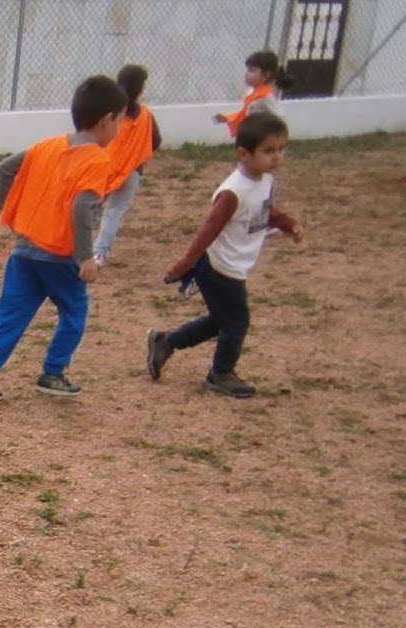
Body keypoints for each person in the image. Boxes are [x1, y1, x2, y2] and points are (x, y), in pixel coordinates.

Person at [0, 74, 126, 403]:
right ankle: (53, 372)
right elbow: (82, 207)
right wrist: (86, 256)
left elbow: (5, 168)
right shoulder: (97, 160)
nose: (120, 128)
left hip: (24, 248)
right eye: (120, 121)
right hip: (60, 254)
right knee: (74, 313)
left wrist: (11, 213)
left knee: (11, 315)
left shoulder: (47, 145)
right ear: (107, 120)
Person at [147, 111, 302, 399]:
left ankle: (166, 342)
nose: (277, 157)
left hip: (233, 266)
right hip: (218, 267)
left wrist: (287, 223)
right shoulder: (232, 192)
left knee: (222, 320)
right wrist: (184, 264)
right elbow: (208, 231)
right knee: (237, 321)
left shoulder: (265, 181)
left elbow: (265, 210)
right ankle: (220, 373)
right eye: (269, 151)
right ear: (244, 153)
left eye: (281, 149)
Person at [92, 64, 161, 264]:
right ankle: (99, 253)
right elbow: (156, 140)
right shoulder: (145, 114)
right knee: (114, 211)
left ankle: (73, 246)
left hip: (103, 167)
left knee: (89, 205)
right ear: (141, 88)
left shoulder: (109, 112)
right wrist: (135, 153)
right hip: (131, 171)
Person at [215, 50, 292, 136]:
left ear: (267, 74)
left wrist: (275, 136)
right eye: (247, 70)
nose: (246, 74)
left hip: (262, 137)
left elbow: (280, 117)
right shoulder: (252, 93)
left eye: (251, 70)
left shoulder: (264, 97)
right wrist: (227, 118)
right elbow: (244, 114)